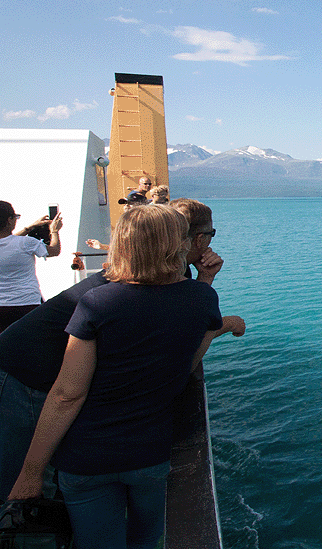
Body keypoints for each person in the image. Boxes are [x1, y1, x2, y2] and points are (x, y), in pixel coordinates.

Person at [6, 205, 244, 549]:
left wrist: (30, 474)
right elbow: (185, 362)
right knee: (147, 539)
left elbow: (67, 395)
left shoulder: (97, 301)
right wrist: (210, 292)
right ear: (178, 245)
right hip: (150, 455)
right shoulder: (200, 297)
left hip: (87, 456)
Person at [0, 201, 62, 333]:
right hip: (28, 304)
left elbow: (7, 242)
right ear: (9, 220)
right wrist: (54, 231)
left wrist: (29, 228)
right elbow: (54, 250)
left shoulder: (21, 242)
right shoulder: (26, 243)